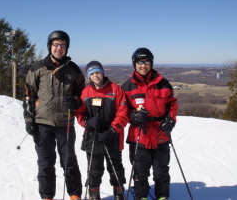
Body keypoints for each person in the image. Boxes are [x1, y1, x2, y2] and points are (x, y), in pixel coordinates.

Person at [22, 30, 84, 200]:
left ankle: (75, 196)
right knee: (46, 163)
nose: (59, 48)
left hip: (65, 123)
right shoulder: (38, 68)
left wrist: (76, 102)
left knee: (69, 162)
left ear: (67, 48)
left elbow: (82, 94)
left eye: (63, 45)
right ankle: (47, 197)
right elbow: (29, 95)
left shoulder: (74, 69)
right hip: (43, 123)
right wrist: (29, 119)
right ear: (50, 46)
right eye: (56, 44)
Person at [121, 48, 178, 200]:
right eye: (140, 62)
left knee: (161, 171)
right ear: (134, 64)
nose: (143, 65)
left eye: (147, 62)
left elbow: (172, 104)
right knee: (140, 172)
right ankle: (141, 196)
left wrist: (171, 119)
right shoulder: (127, 87)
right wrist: (134, 116)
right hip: (139, 136)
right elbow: (121, 111)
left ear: (151, 63)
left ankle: (162, 196)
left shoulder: (163, 83)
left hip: (161, 134)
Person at [75, 61, 129, 200]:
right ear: (89, 76)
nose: (95, 75)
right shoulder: (85, 92)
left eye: (98, 72)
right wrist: (87, 122)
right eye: (92, 73)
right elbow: (80, 113)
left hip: (112, 136)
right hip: (93, 137)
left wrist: (112, 130)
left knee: (116, 168)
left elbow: (123, 112)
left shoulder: (115, 89)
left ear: (103, 72)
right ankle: (93, 195)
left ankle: (119, 193)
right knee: (94, 170)